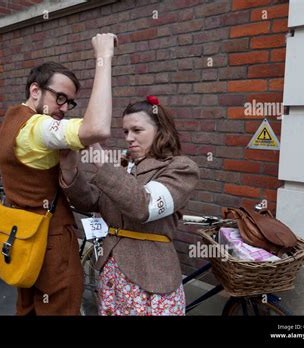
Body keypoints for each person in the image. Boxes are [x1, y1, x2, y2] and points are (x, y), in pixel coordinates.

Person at [0, 33, 117, 315]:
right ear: (35, 90)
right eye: (59, 97)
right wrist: (104, 57)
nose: (63, 108)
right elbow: (97, 128)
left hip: (23, 236)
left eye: (69, 102)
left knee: (28, 307)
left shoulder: (13, 118)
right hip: (51, 240)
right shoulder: (38, 127)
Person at [59, 96, 200, 316]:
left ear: (160, 130)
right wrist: (69, 171)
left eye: (137, 130)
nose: (129, 138)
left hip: (150, 279)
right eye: (125, 132)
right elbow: (92, 201)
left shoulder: (181, 168)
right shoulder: (125, 165)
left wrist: (100, 159)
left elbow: (143, 206)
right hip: (112, 275)